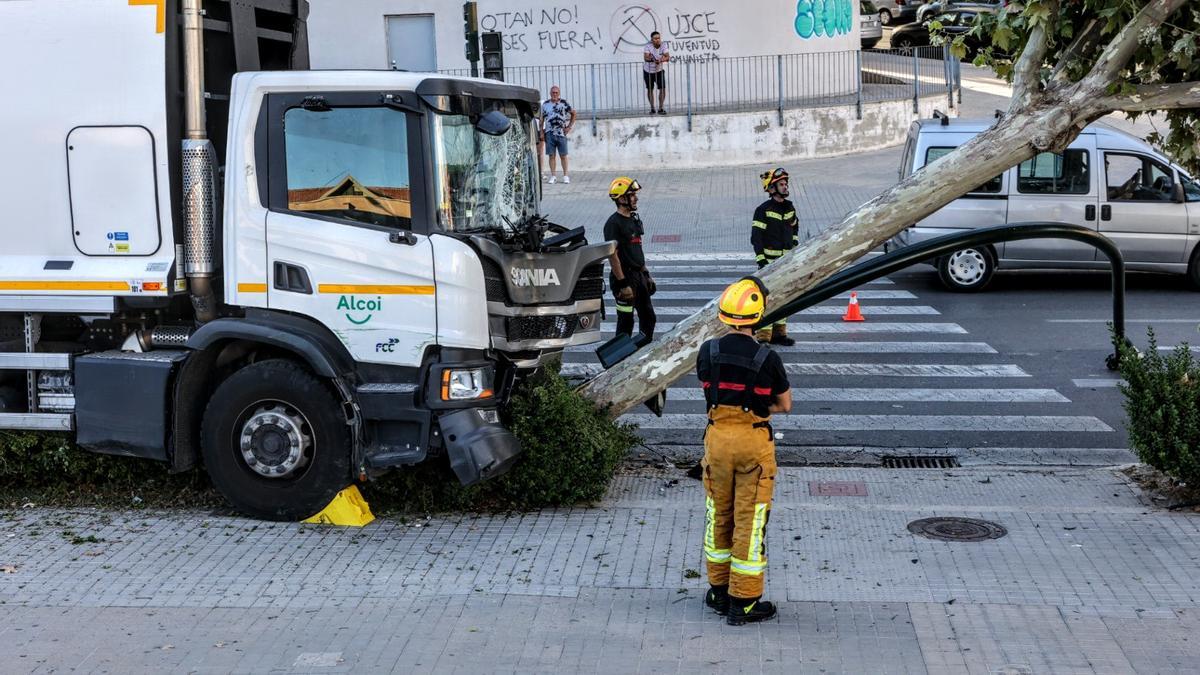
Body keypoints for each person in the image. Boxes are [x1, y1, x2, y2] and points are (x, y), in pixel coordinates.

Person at [697, 277, 792, 626]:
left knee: (718, 514)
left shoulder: (708, 351)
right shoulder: (768, 357)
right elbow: (784, 404)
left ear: (723, 317)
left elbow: (708, 388)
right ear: (758, 316)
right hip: (752, 443)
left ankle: (719, 592)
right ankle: (745, 602)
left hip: (717, 440)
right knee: (749, 522)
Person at [750, 167, 800, 346]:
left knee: (784, 298)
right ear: (772, 188)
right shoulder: (762, 210)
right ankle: (764, 335)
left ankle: (779, 334)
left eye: (786, 184)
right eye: (781, 184)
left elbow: (795, 226)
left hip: (786, 261)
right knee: (767, 300)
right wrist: (761, 260)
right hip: (769, 262)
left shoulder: (789, 207)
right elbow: (756, 238)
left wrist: (794, 244)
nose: (786, 187)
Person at [604, 177, 656, 340]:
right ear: (621, 199)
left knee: (648, 317)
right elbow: (613, 256)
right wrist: (623, 284)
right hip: (625, 278)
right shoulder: (613, 224)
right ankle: (619, 361)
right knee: (626, 323)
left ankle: (641, 354)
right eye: (632, 195)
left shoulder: (633, 219)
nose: (636, 198)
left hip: (638, 276)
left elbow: (637, 249)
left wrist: (646, 274)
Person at [539, 85, 576, 184]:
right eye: (553, 92)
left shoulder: (564, 103)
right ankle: (553, 176)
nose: (554, 94)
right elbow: (541, 119)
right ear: (550, 93)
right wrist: (541, 132)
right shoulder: (545, 105)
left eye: (556, 92)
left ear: (559, 93)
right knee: (551, 155)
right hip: (549, 133)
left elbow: (573, 113)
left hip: (561, 133)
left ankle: (565, 176)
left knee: (563, 155)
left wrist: (569, 127)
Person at [643, 31, 670, 115]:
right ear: (652, 39)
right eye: (655, 38)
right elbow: (645, 58)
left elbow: (667, 57)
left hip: (659, 71)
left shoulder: (663, 45)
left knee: (662, 89)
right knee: (650, 89)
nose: (657, 40)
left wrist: (661, 60)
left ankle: (661, 108)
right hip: (648, 71)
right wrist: (652, 59)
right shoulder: (648, 45)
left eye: (658, 38)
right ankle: (652, 108)